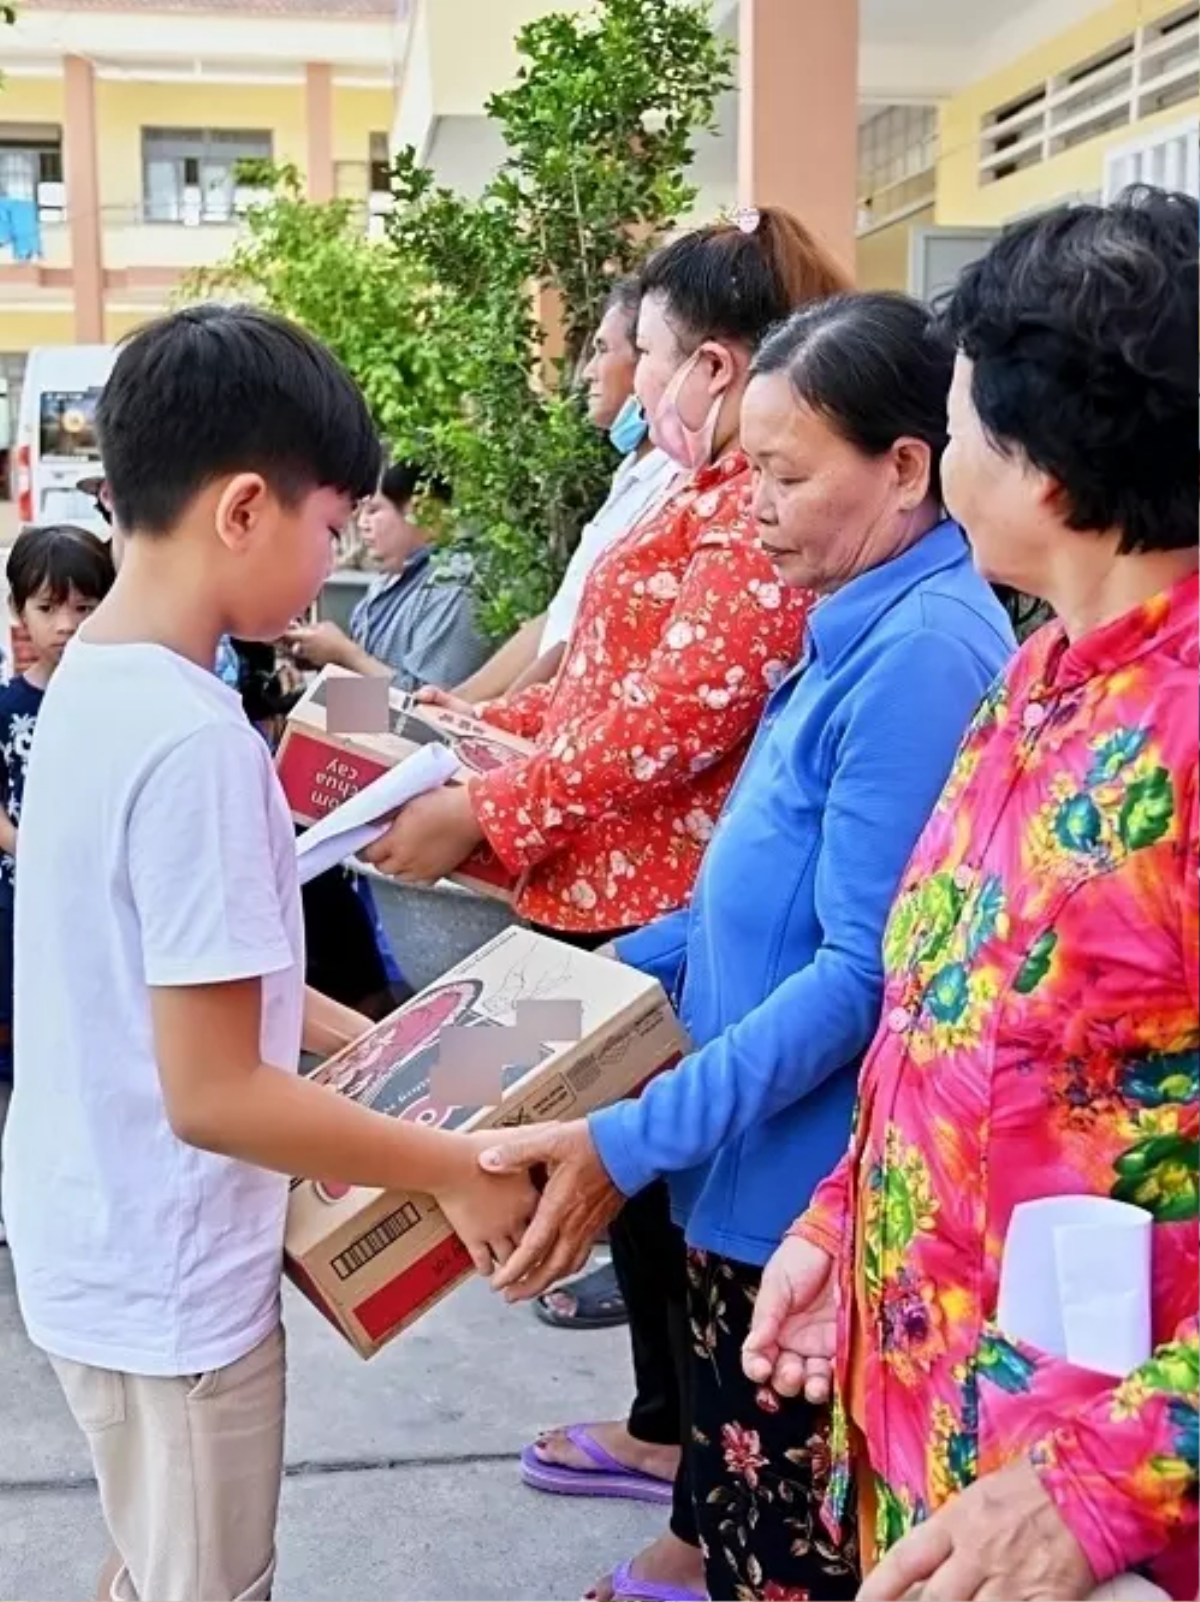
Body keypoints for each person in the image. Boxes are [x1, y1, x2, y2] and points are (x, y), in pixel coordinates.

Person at [476, 292, 1016, 1601]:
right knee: (738, 1534)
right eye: (748, 469)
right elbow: (744, 908)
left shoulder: (926, 655)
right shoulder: (850, 621)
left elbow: (858, 975)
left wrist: (624, 1137)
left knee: (789, 1560)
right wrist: (579, 983)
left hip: (809, 1203)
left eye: (783, 472)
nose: (754, 505)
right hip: (751, 1178)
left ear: (906, 466)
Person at [0, 304, 537, 1602]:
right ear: (244, 508)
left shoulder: (94, 687)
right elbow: (218, 1089)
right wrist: (455, 1166)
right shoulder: (198, 744)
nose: (331, 565)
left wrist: (388, 1048)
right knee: (208, 1579)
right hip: (172, 1281)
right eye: (328, 528)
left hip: (97, 1237)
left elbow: (200, 980)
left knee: (156, 1554)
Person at [366, 209, 850, 1602]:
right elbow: (603, 683)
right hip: (642, 897)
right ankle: (688, 1474)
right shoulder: (710, 499)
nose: (624, 380)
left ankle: (697, 1488)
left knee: (661, 1206)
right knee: (653, 1216)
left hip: (663, 890)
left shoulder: (775, 530)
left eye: (635, 351)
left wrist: (498, 804)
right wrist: (492, 737)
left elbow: (672, 715)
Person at [738, 188, 1199, 1602]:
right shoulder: (1035, 676)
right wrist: (838, 1217)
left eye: (963, 422)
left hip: (1101, 1518)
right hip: (945, 1450)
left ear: (1047, 474)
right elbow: (946, 1020)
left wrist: (1097, 1490)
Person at [454, 277, 677, 704]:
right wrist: (459, 704)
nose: (586, 374)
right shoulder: (634, 471)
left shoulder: (671, 486)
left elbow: (574, 637)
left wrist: (483, 720)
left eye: (601, 350)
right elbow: (558, 615)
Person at [0, 525, 115, 1245]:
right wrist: (40, 851)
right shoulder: (8, 707)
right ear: (21, 616)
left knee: (82, 1048)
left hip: (93, 912)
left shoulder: (114, 701)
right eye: (50, 608)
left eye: (85, 605)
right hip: (16, 906)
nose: (68, 625)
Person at [284, 461, 488, 692]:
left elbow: (427, 713)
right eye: (358, 511)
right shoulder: (386, 582)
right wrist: (320, 655)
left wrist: (346, 655)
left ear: (422, 512)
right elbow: (364, 709)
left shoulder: (453, 588)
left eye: (373, 511)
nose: (362, 524)